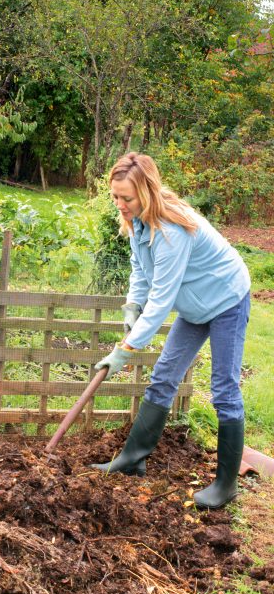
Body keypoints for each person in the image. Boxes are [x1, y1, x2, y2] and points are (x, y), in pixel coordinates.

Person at [92, 151, 251, 509]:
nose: (120, 204)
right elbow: (140, 269)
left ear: (146, 191)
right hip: (195, 305)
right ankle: (132, 459)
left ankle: (226, 485)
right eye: (115, 196)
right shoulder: (137, 221)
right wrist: (132, 305)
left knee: (224, 387)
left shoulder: (171, 232)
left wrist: (126, 350)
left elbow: (161, 300)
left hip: (226, 299)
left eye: (126, 198)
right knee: (164, 376)